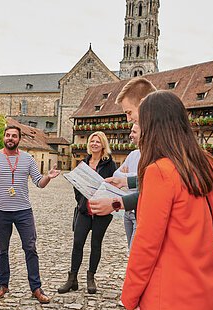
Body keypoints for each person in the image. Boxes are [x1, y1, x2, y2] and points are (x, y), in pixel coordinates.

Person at [120, 91, 213, 310]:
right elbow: (210, 226)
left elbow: (146, 244)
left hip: (172, 294)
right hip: (211, 287)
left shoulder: (160, 171)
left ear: (153, 127)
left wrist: (130, 296)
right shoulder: (209, 164)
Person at [0, 125, 60, 304]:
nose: (10, 138)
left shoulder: (28, 159)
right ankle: (3, 285)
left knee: (30, 248)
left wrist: (49, 176)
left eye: (14, 136)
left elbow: (39, 183)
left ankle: (36, 288)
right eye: (7, 135)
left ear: (19, 139)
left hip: (23, 211)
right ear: (3, 137)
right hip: (0, 211)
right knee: (2, 249)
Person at [58, 131, 117, 295]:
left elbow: (113, 188)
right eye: (92, 141)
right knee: (77, 243)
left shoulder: (110, 165)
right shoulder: (83, 163)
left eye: (98, 142)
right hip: (84, 211)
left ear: (103, 144)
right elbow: (76, 186)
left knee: (96, 244)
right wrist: (81, 202)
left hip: (101, 212)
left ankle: (91, 278)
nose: (94, 144)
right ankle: (72, 279)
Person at [89, 77, 156, 217]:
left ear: (144, 104)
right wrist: (124, 180)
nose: (128, 119)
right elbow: (152, 181)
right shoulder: (154, 141)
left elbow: (157, 189)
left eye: (129, 112)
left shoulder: (161, 142)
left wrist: (116, 204)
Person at [113, 124, 141, 248]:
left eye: (134, 132)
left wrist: (126, 177)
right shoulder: (133, 154)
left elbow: (146, 177)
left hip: (138, 210)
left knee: (135, 251)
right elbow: (116, 174)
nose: (130, 135)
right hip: (127, 211)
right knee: (131, 251)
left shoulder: (152, 155)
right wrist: (132, 176)